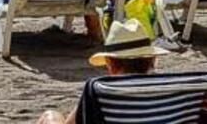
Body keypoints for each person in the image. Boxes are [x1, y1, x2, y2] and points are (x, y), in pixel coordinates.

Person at [36, 19, 169, 124]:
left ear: (110, 63)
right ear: (152, 59)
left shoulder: (100, 90)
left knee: (51, 116)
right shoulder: (173, 88)